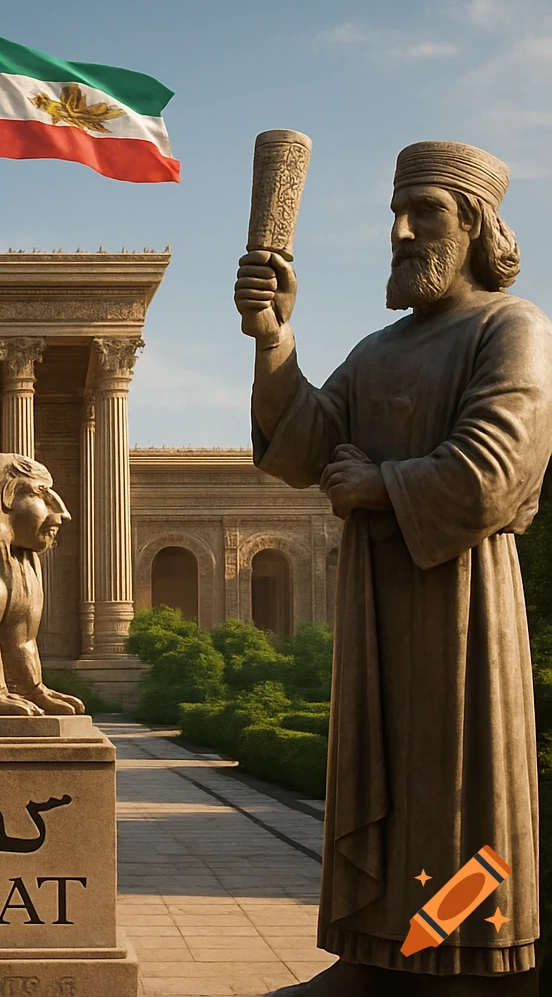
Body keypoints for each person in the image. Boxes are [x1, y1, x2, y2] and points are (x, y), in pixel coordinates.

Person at [233, 141, 552, 996]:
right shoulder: (377, 350)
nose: (402, 232)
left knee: (454, 778)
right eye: (395, 215)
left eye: (425, 214)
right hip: (380, 609)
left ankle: (463, 953)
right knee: (390, 776)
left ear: (476, 226)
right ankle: (383, 950)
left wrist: (380, 485)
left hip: (460, 604)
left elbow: (499, 467)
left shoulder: (511, 328)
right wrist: (273, 340)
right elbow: (303, 445)